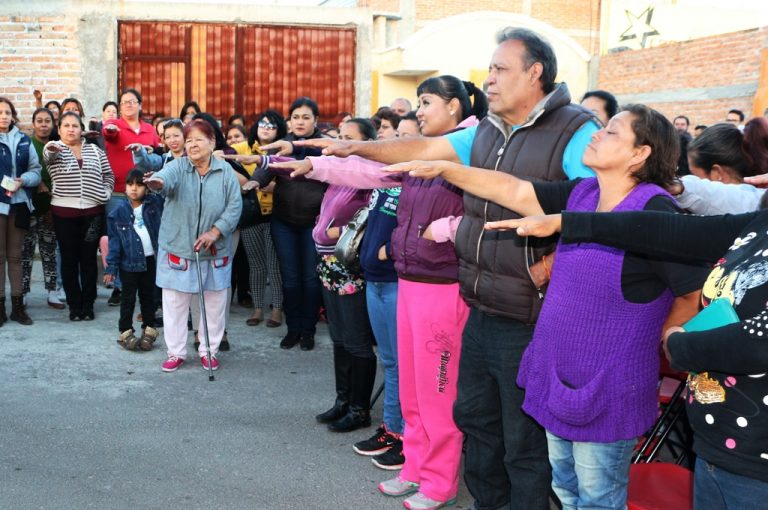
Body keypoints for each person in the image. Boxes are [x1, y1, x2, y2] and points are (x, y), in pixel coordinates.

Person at [290, 27, 599, 510]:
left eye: (500, 69)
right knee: (476, 417)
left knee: (522, 440)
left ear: (534, 72)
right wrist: (357, 149)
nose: (489, 80)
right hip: (480, 298)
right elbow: (420, 151)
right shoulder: (487, 130)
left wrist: (557, 261)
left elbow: (597, 206)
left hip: (532, 310)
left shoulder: (575, 129)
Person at [386, 104, 707, 509]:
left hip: (607, 386)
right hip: (558, 375)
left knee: (597, 499)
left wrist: (665, 339)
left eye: (610, 132)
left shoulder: (655, 210)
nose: (595, 134)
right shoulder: (583, 193)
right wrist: (447, 169)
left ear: (640, 153)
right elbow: (513, 190)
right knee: (566, 491)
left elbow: (691, 291)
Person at [278, 74, 488, 510]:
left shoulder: (473, 148)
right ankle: (414, 466)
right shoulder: (422, 153)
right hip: (409, 281)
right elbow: (369, 171)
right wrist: (313, 162)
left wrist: (446, 228)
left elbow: (491, 211)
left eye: (427, 101)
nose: (420, 110)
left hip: (443, 286)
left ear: (454, 107)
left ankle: (439, 482)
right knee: (411, 386)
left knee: (437, 390)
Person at [494, 205, 768, 510]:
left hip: (757, 461)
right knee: (569, 487)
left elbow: (758, 342)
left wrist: (678, 344)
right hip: (716, 445)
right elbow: (667, 231)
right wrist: (569, 221)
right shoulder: (760, 220)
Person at [144, 119, 241, 372]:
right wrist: (157, 183)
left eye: (199, 139)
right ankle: (176, 352)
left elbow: (234, 206)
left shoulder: (225, 171)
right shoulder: (178, 166)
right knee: (175, 303)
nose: (192, 145)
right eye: (188, 140)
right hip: (178, 246)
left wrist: (215, 231)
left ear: (212, 142)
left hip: (214, 249)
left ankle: (209, 350)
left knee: (214, 303)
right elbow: (165, 179)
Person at [300, 118, 377, 435]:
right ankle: (342, 401)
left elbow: (370, 221)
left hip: (350, 267)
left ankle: (360, 409)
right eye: (340, 137)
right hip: (329, 266)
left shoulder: (370, 177)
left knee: (357, 341)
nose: (341, 144)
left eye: (350, 139)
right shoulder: (339, 176)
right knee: (340, 339)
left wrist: (337, 231)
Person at [251, 97, 328, 351]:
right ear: (290, 120)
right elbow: (266, 167)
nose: (301, 122)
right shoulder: (282, 145)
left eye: (306, 117)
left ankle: (308, 330)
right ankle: (293, 328)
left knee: (310, 278)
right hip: (283, 222)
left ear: (315, 121)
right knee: (290, 278)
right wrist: (255, 181)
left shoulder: (324, 145)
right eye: (296, 117)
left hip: (313, 224)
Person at [44, 111, 114, 321]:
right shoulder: (54, 147)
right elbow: (49, 155)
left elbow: (108, 174)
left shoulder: (95, 150)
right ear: (59, 129)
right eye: (66, 125)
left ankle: (88, 303)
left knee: (89, 259)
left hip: (93, 212)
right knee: (69, 259)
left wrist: (106, 193)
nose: (71, 129)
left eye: (75, 125)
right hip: (64, 213)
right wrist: (53, 148)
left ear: (81, 129)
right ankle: (74, 305)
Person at [102, 88, 161, 306]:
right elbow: (109, 134)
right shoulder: (115, 126)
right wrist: (109, 128)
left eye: (132, 101)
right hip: (119, 191)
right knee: (119, 239)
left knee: (145, 238)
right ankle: (119, 288)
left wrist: (147, 149)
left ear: (140, 104)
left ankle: (149, 288)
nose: (127, 105)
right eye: (123, 102)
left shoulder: (148, 129)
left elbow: (156, 153)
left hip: (146, 191)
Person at [235, 110, 285, 328]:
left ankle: (276, 308)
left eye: (272, 125)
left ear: (279, 130)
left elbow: (291, 180)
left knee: (274, 265)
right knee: (256, 265)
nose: (266, 128)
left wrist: (274, 186)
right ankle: (257, 307)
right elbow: (224, 160)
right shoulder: (242, 149)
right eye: (263, 124)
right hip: (249, 213)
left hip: (277, 214)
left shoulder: (284, 151)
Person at [104, 169, 163, 352]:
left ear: (146, 188)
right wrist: (111, 268)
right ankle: (125, 332)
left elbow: (163, 196)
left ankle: (149, 330)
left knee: (149, 298)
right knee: (127, 299)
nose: (134, 189)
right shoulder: (117, 212)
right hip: (128, 264)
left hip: (150, 261)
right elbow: (114, 242)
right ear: (125, 187)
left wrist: (155, 182)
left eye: (139, 185)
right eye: (130, 185)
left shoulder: (153, 204)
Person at [0, 97, 42, 325]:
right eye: (0, 112)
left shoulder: (24, 141)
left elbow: (36, 171)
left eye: (7, 112)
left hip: (19, 204)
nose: (4, 116)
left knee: (16, 257)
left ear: (13, 115)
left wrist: (22, 180)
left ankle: (18, 308)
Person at [22, 108, 64, 310]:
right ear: (33, 123)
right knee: (26, 252)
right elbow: (22, 169)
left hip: (51, 207)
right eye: (39, 120)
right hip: (29, 206)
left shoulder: (58, 145)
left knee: (50, 252)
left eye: (47, 121)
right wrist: (38, 183)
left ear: (53, 124)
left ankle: (53, 292)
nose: (43, 124)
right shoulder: (26, 144)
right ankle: (21, 293)